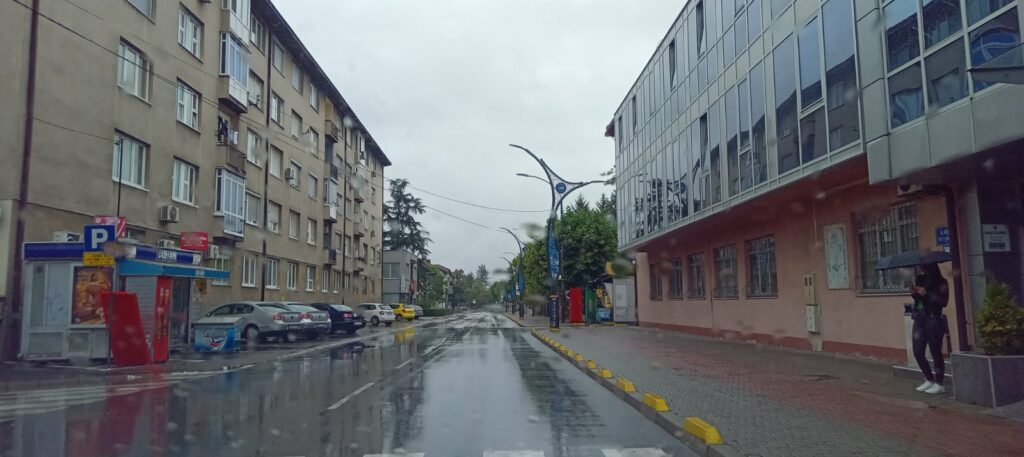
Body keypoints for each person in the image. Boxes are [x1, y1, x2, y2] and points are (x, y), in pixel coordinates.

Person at [910, 262, 949, 395]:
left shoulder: (941, 282)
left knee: (935, 351)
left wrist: (928, 293)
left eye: (923, 267)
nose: (921, 269)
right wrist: (914, 291)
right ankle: (929, 378)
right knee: (917, 351)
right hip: (920, 318)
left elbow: (944, 302)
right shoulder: (920, 279)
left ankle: (939, 383)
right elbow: (918, 300)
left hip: (934, 318)